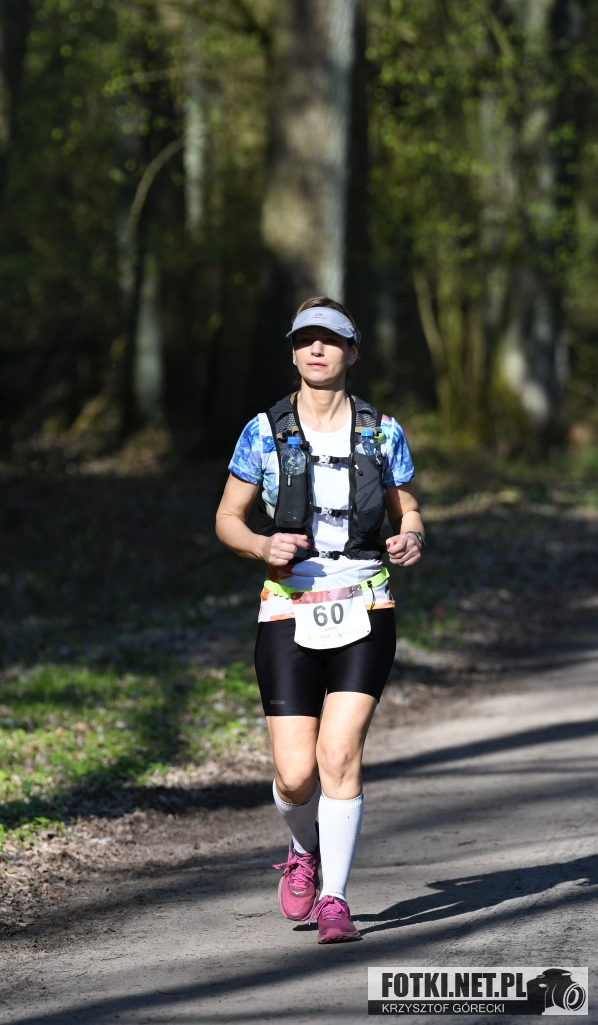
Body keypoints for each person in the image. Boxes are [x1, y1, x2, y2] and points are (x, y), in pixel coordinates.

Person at [215, 296, 425, 944]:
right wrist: (261, 545)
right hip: (288, 606)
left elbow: (408, 508)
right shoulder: (263, 431)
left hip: (364, 602)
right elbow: (227, 518)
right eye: (305, 339)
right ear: (292, 351)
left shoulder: (381, 432)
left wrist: (411, 535)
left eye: (330, 340)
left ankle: (334, 897)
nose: (316, 349)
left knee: (338, 752)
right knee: (295, 774)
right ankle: (302, 847)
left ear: (350, 353)